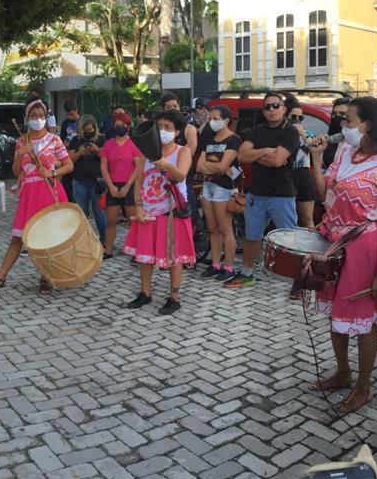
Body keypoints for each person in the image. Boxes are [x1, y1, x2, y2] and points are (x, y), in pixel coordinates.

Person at [306, 96, 377, 414]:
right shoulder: (344, 152)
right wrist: (315, 159)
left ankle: (364, 386)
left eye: (348, 120)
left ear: (368, 124)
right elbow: (324, 193)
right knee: (336, 314)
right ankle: (343, 372)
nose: (343, 126)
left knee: (364, 321)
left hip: (366, 249)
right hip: (334, 243)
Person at [0, 100, 73, 295]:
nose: (37, 119)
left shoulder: (54, 140)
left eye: (41, 116)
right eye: (33, 116)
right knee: (18, 238)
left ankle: (45, 277)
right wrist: (20, 154)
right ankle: (1, 277)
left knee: (49, 236)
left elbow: (69, 165)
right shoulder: (22, 142)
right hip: (29, 194)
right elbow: (17, 171)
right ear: (27, 118)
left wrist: (52, 173)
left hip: (49, 191)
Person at [123, 113, 195, 315]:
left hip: (171, 211)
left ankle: (174, 297)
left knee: (173, 255)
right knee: (144, 255)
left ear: (177, 131)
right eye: (160, 126)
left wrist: (166, 164)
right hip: (148, 210)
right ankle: (145, 293)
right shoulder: (146, 153)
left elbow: (181, 176)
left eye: (168, 127)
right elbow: (138, 181)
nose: (163, 130)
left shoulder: (183, 151)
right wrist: (138, 207)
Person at [229, 93, 301, 287]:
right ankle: (247, 273)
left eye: (276, 105)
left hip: (281, 194)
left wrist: (256, 155)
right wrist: (267, 151)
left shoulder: (290, 132)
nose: (271, 110)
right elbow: (242, 156)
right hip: (256, 194)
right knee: (252, 236)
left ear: (284, 108)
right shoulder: (256, 130)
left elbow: (277, 160)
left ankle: (297, 280)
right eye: (267, 107)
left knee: (289, 239)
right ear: (263, 111)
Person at [197, 105, 241, 282]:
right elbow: (199, 166)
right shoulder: (210, 139)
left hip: (224, 187)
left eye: (215, 119)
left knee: (225, 228)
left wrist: (209, 166)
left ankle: (229, 267)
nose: (212, 122)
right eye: (210, 119)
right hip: (208, 186)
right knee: (212, 228)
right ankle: (215, 264)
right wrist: (214, 167)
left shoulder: (233, 139)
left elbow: (224, 167)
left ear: (226, 120)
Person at [100, 111, 142, 259]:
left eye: (123, 125)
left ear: (128, 127)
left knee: (133, 221)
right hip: (113, 185)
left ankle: (136, 251)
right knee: (110, 221)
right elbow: (103, 167)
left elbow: (138, 166)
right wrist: (110, 186)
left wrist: (127, 186)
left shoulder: (134, 144)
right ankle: (108, 250)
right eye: (117, 124)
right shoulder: (108, 144)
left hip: (130, 186)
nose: (120, 127)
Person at [68, 115, 106, 245]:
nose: (88, 132)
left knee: (99, 212)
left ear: (95, 128)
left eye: (91, 129)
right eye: (85, 130)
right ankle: (83, 240)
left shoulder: (101, 139)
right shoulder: (76, 140)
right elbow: (69, 160)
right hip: (79, 180)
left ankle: (104, 240)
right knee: (81, 212)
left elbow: (108, 159)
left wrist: (97, 151)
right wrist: (80, 153)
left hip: (98, 181)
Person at [285, 97, 318, 227]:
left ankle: (309, 240)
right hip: (286, 176)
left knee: (307, 219)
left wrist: (302, 133)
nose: (297, 120)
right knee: (288, 219)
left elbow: (314, 149)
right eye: (293, 117)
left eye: (300, 117)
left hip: (304, 175)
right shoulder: (281, 133)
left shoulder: (307, 134)